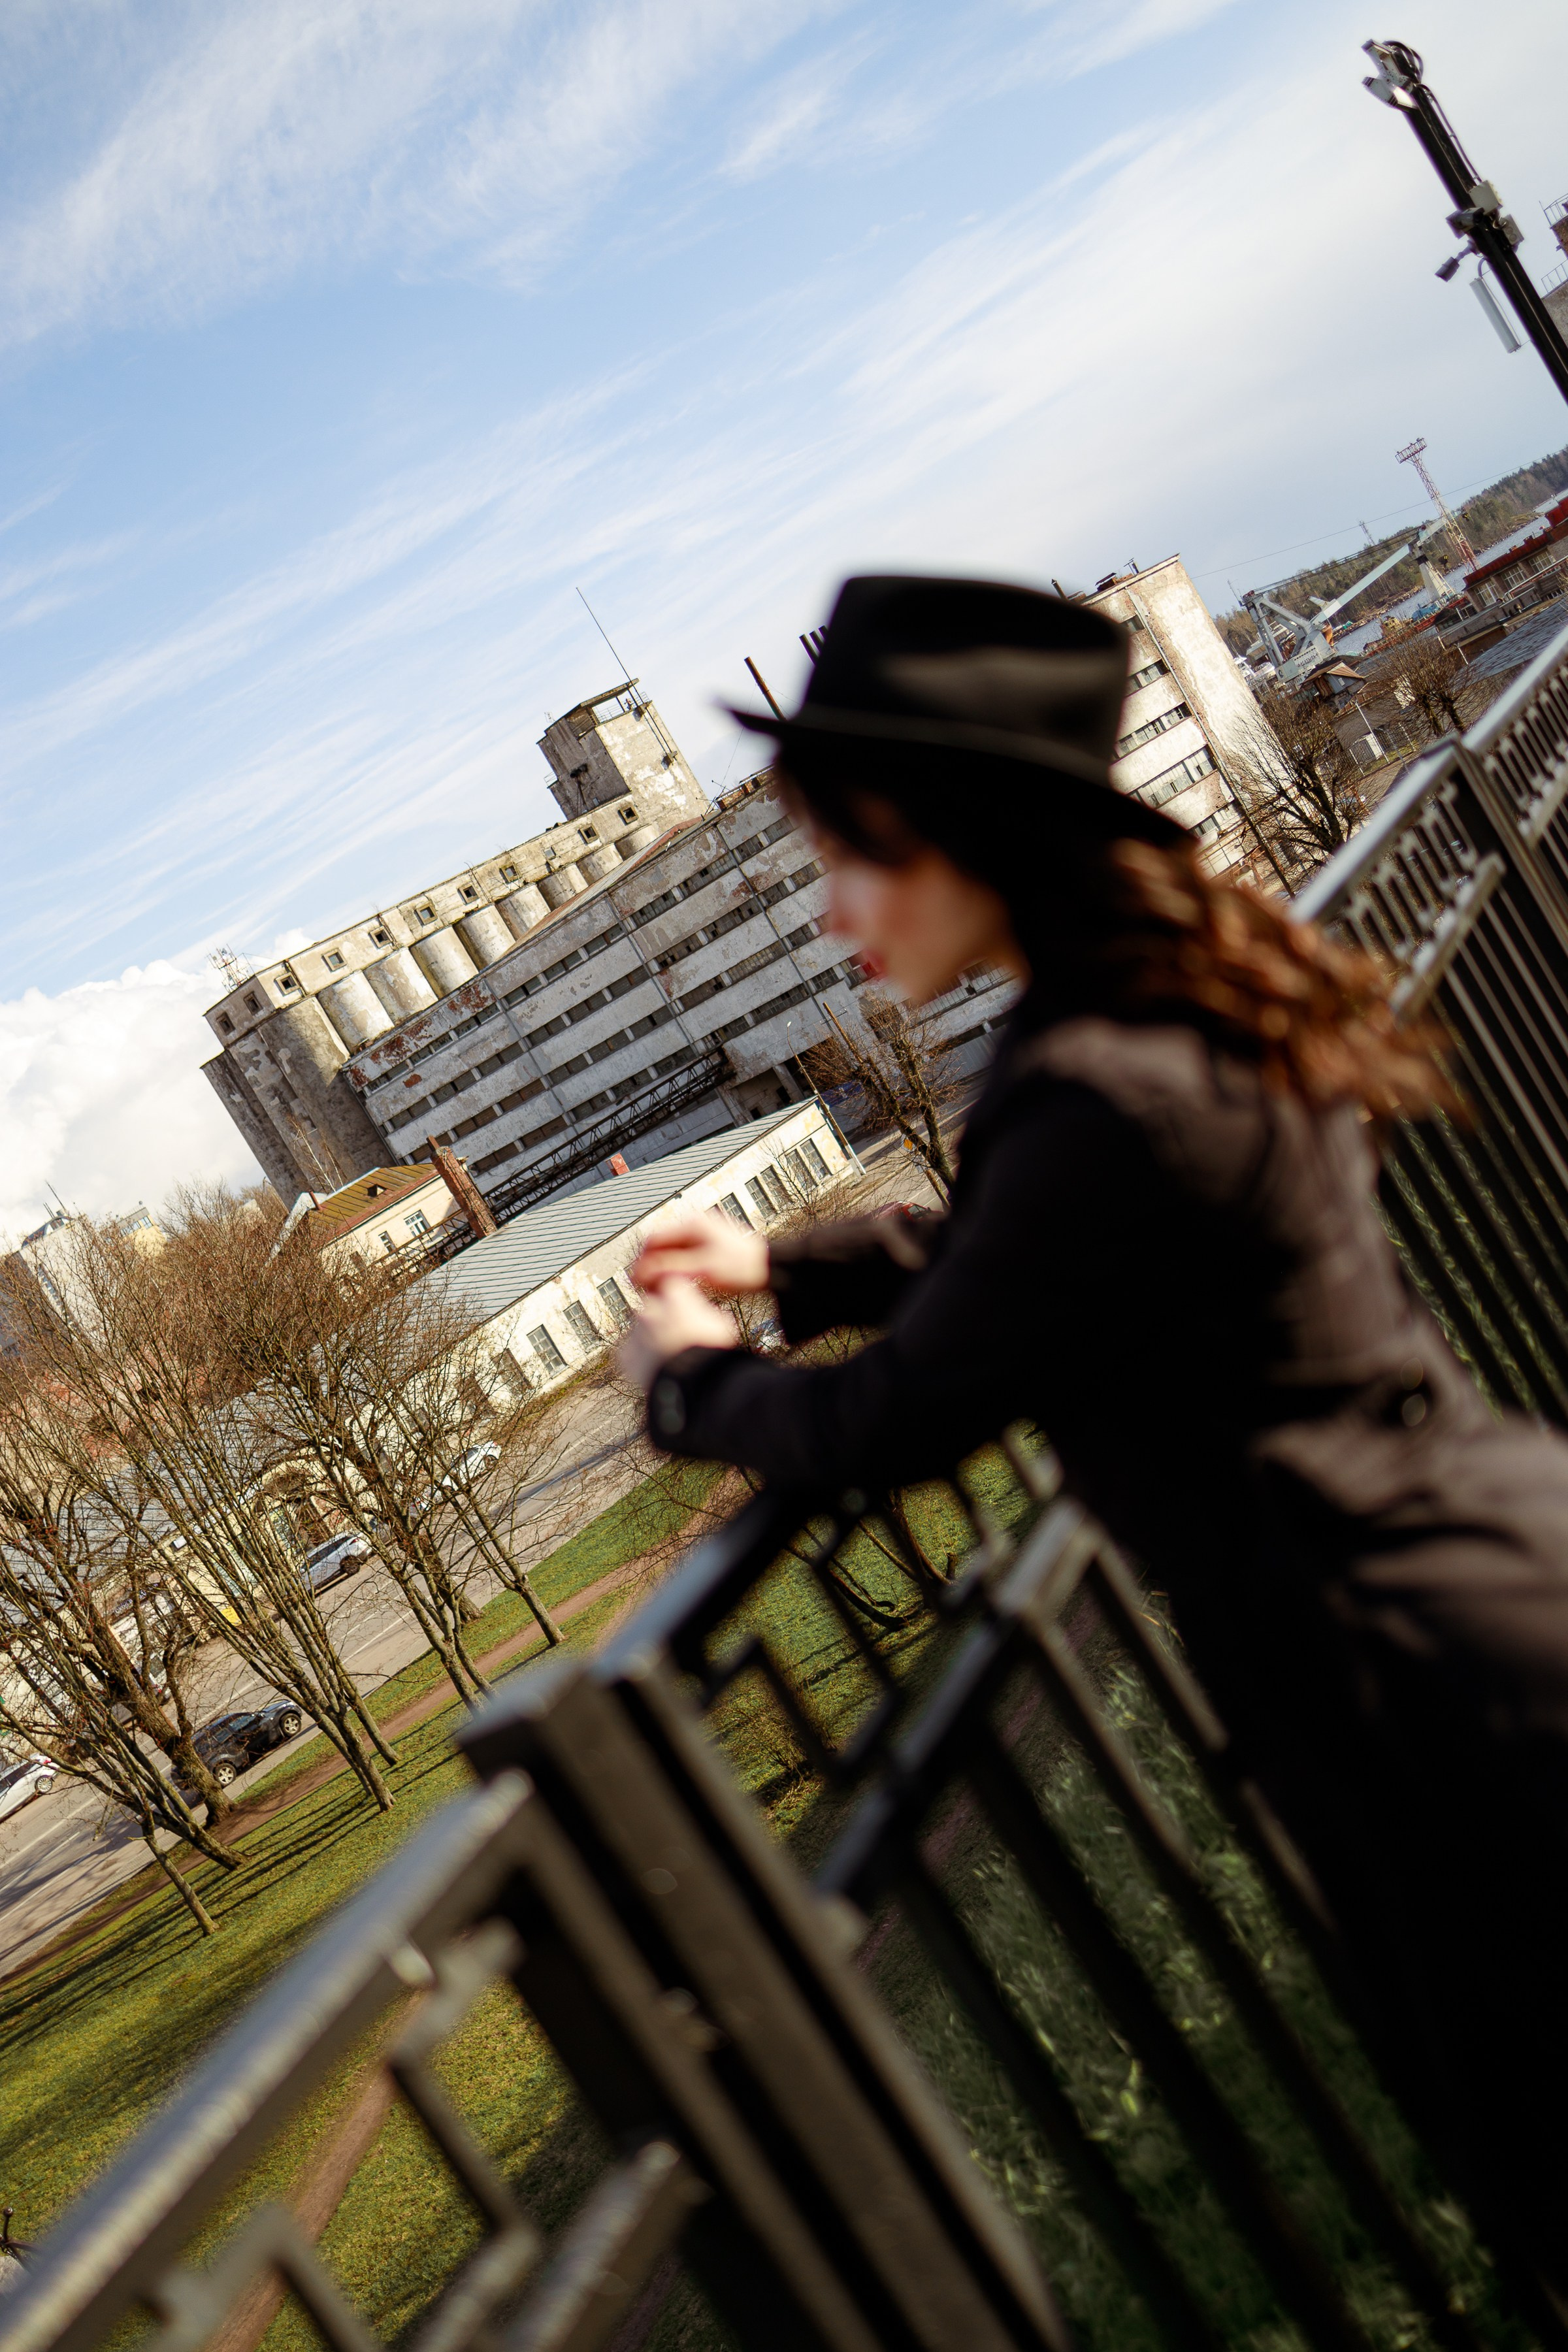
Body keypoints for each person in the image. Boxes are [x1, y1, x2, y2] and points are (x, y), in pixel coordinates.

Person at [620, 575, 1568, 2304]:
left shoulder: (1096, 1082)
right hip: (1481, 1604)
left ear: (973, 831)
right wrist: (785, 1254)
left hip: (1436, 1708)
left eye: (855, 857)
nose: (833, 919)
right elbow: (1040, 1272)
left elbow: (898, 1417)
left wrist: (686, 1382)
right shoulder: (1148, 1012)